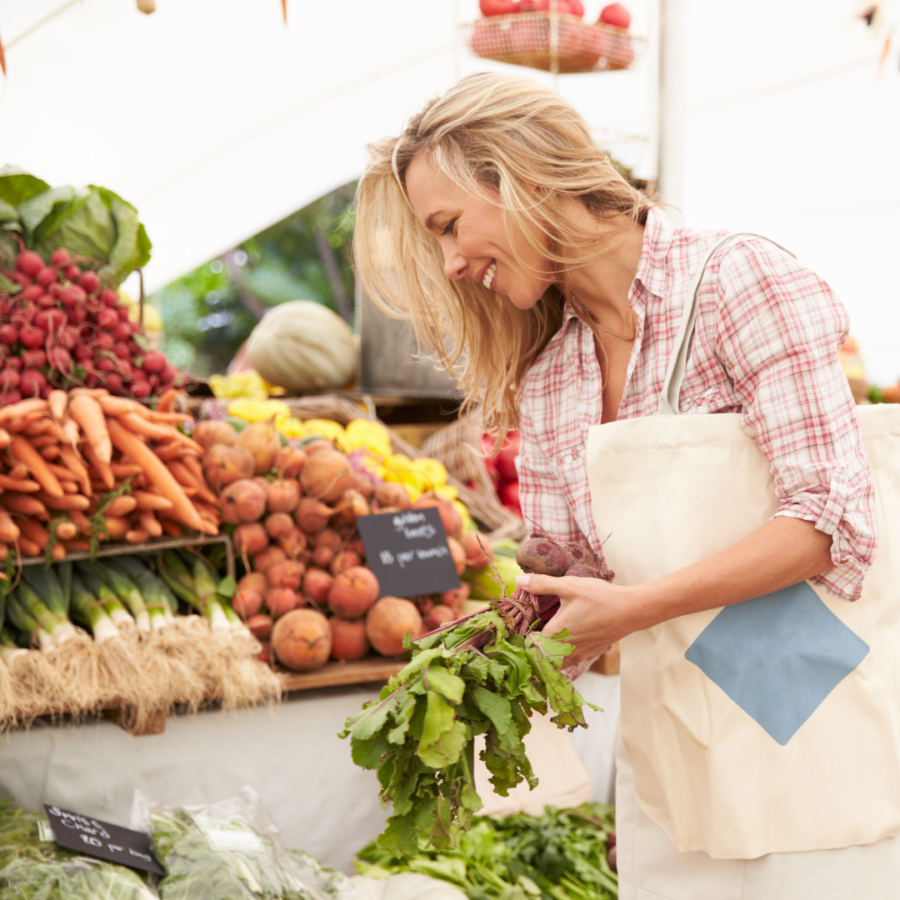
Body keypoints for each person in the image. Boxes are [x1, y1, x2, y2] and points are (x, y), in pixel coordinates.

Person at [352, 71, 900, 899]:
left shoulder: (735, 282)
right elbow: (581, 576)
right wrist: (485, 649)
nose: (452, 262)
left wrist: (633, 609)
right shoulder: (553, 370)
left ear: (520, 177)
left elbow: (828, 522)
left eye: (449, 226)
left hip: (808, 715)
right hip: (678, 740)